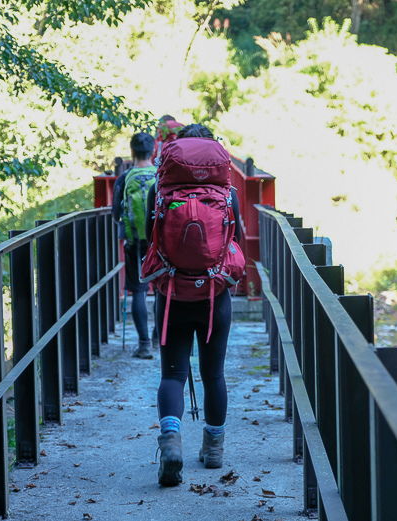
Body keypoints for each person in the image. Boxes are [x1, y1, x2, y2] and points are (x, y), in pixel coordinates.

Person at [144, 123, 241, 485]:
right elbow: (236, 241)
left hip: (171, 294)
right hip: (215, 296)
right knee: (213, 373)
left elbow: (148, 237)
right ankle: (213, 449)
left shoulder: (161, 190)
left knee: (173, 374)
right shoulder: (227, 194)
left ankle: (171, 442)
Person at [111, 132, 158, 359]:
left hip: (135, 244)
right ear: (154, 150)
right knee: (162, 290)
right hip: (159, 244)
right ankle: (160, 337)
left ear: (132, 152)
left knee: (138, 292)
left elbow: (115, 214)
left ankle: (144, 344)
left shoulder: (124, 178)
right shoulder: (162, 176)